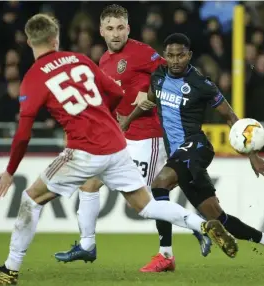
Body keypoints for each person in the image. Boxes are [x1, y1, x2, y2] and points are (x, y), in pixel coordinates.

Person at [0, 15, 238, 285]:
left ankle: (10, 268)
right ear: (56, 39)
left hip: (84, 149)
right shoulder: (80, 60)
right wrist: (104, 116)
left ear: (29, 41)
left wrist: (9, 171)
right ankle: (202, 225)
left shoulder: (33, 77)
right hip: (116, 144)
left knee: (32, 199)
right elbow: (114, 92)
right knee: (146, 205)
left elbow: (23, 134)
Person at [54, 4, 211, 272]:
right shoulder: (104, 60)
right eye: (110, 28)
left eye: (120, 28)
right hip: (119, 138)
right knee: (90, 184)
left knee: (146, 202)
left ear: (128, 28)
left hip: (146, 137)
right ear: (102, 31)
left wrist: (152, 93)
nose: (116, 34)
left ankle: (197, 228)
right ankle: (87, 245)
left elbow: (172, 73)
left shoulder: (140, 52)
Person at [122, 33, 264, 271]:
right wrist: (126, 122)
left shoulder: (201, 84)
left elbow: (231, 117)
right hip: (178, 156)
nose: (175, 60)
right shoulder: (158, 77)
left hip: (197, 146)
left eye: (181, 55)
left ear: (189, 55)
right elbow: (149, 101)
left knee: (159, 184)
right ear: (165, 57)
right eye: (170, 55)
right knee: (218, 218)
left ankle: (166, 255)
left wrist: (252, 154)